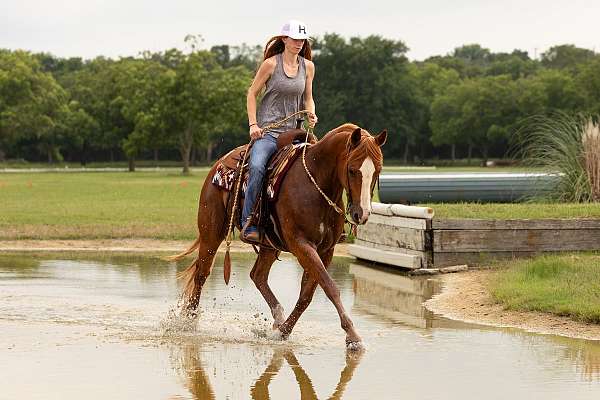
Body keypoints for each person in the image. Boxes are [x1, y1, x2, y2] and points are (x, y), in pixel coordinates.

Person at [242, 19, 318, 242]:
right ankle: (248, 222)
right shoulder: (270, 65)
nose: (299, 43)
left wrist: (311, 113)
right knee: (256, 167)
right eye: (294, 39)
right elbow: (251, 94)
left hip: (295, 133)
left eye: (302, 39)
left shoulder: (309, 67)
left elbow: (308, 98)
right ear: (284, 39)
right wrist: (253, 125)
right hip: (268, 134)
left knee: (325, 164)